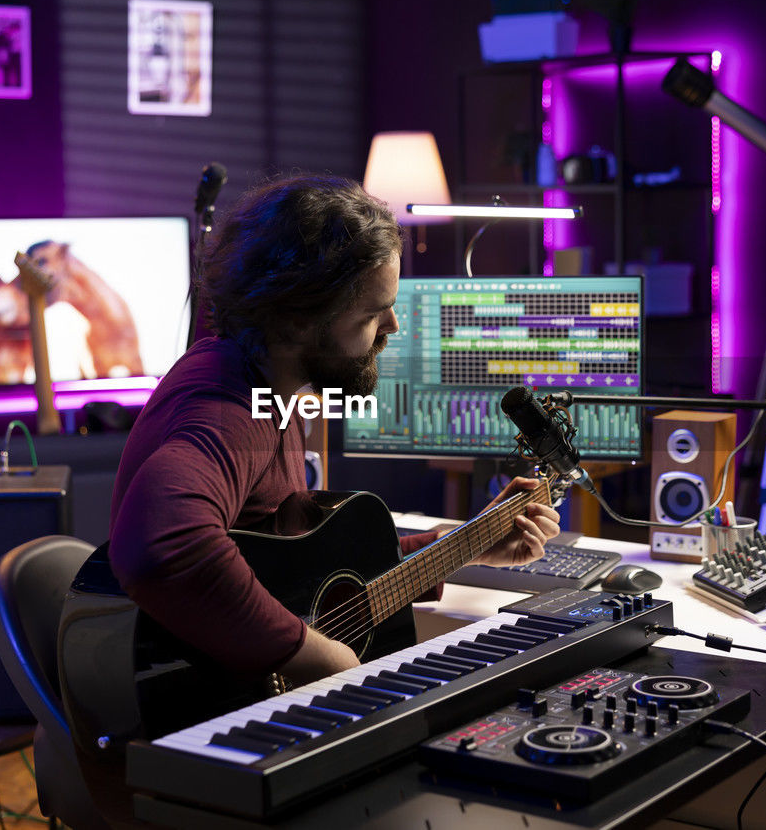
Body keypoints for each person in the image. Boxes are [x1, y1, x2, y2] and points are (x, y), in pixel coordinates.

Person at [107, 174, 561, 689]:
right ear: (299, 317)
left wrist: (460, 546)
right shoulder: (227, 407)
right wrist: (311, 654)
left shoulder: (271, 388)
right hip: (192, 711)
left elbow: (301, 579)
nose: (392, 325)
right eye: (372, 311)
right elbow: (161, 544)